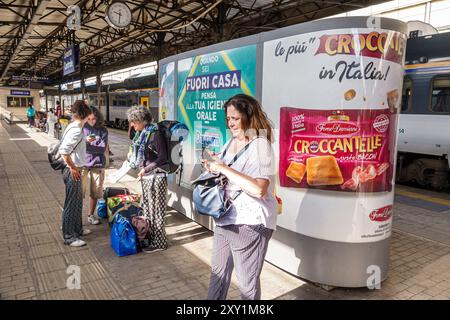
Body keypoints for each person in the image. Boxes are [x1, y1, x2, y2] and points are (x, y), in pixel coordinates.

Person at [201, 94, 277, 300]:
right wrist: (214, 165)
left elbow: (259, 189)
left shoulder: (261, 145)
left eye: (235, 118)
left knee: (247, 285)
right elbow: (228, 174)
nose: (230, 123)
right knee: (218, 277)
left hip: (250, 223)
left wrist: (224, 168)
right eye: (228, 119)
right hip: (225, 217)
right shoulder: (230, 143)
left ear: (248, 115)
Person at [126, 105, 169, 252]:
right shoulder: (142, 134)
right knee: (149, 210)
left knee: (157, 212)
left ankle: (160, 243)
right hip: (146, 177)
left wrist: (145, 169)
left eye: (134, 122)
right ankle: (152, 239)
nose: (132, 125)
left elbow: (163, 157)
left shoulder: (155, 134)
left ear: (142, 120)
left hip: (157, 177)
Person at [59, 100, 92, 247]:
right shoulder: (76, 130)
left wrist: (87, 140)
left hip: (74, 169)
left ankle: (77, 229)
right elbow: (64, 151)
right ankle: (69, 236)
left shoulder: (75, 127)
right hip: (72, 171)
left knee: (77, 202)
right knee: (72, 203)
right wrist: (73, 168)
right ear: (85, 114)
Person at [82, 106, 108, 225]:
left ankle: (90, 215)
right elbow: (82, 146)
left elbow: (102, 148)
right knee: (79, 192)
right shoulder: (81, 127)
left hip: (98, 163)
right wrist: (95, 141)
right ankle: (75, 218)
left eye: (94, 119)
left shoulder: (103, 130)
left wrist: (89, 142)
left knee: (95, 192)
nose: (92, 121)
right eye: (89, 119)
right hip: (83, 163)